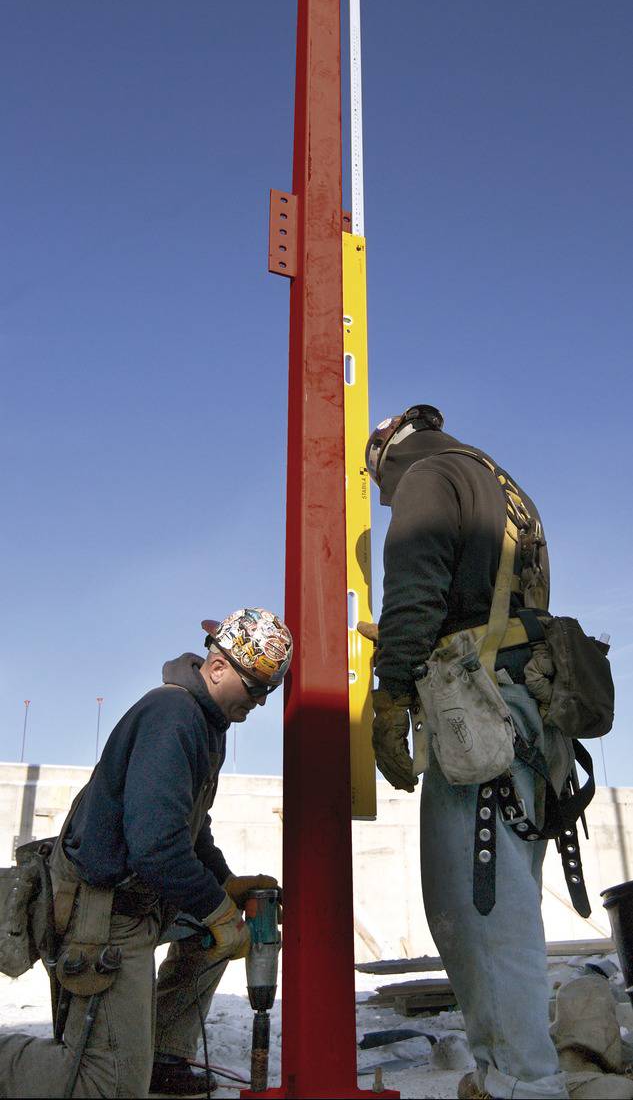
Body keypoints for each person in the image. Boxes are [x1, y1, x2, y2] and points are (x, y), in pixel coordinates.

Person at [362, 404, 571, 1100]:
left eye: (379, 486)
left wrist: (391, 693)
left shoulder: (428, 475)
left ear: (388, 452)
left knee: (474, 908)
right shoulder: (502, 485)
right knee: (509, 905)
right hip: (534, 710)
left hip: (479, 714)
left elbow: (413, 592)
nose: (387, 498)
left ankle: (521, 1082)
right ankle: (508, 1069)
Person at [0, 607, 292, 1100]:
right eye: (257, 687)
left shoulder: (205, 723)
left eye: (270, 690)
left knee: (212, 934)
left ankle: (158, 1055)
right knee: (105, 1085)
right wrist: (218, 912)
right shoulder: (172, 716)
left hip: (142, 901)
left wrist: (224, 885)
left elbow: (191, 832)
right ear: (218, 667)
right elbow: (156, 846)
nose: (261, 702)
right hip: (103, 914)